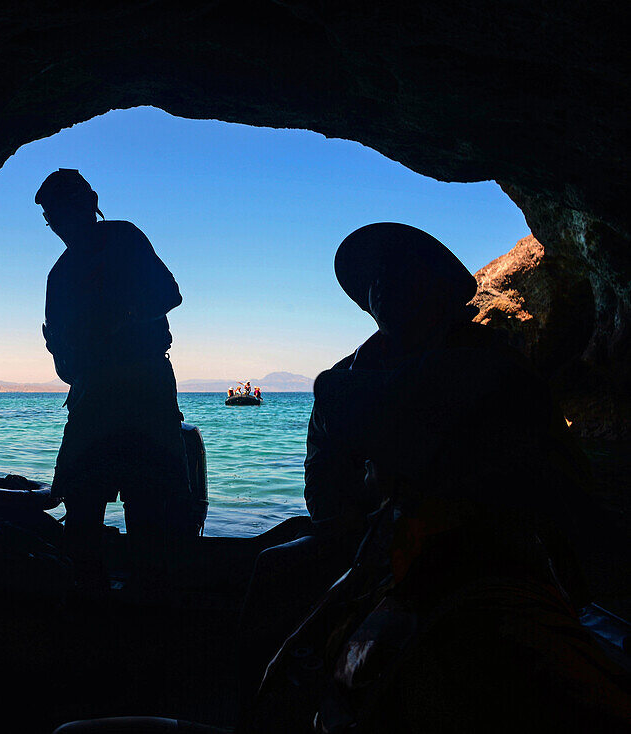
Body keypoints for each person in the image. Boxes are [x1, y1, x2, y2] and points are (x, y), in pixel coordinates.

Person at [237, 223, 596, 711]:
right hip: (376, 543)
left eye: (401, 275)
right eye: (377, 280)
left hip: (495, 550)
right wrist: (353, 520)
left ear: (437, 290)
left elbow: (536, 482)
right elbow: (323, 486)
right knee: (276, 561)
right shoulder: (347, 376)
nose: (384, 287)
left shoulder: (488, 363)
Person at [37, 168, 192, 595]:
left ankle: (145, 604)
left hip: (144, 388)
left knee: (146, 504)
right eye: (53, 217)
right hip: (95, 393)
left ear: (90, 203)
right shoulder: (59, 276)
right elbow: (66, 371)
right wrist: (58, 350)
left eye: (64, 211)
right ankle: (95, 605)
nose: (60, 224)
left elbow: (169, 293)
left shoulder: (123, 236)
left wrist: (116, 319)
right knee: (82, 505)